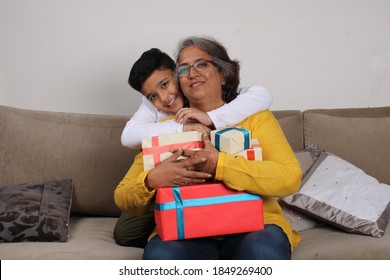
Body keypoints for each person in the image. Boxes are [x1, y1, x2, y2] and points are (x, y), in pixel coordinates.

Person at [114, 36, 302, 259]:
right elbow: (123, 195)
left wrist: (220, 165)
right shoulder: (163, 129)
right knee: (161, 257)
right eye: (183, 70)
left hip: (256, 226)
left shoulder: (255, 118)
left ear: (223, 74)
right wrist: (152, 179)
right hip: (185, 231)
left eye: (201, 64)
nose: (192, 73)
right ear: (180, 82)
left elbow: (290, 177)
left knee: (263, 251)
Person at [120, 48, 273, 149]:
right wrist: (181, 128)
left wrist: (210, 118)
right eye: (153, 96)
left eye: (165, 84)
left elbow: (262, 94)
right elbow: (128, 136)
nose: (164, 98)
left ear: (178, 74)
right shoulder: (154, 105)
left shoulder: (209, 92)